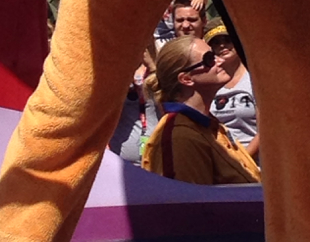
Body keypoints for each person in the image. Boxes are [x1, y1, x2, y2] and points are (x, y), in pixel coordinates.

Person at [142, 36, 260, 184]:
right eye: (209, 59)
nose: (220, 61)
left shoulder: (210, 126)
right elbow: (190, 197)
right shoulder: (181, 137)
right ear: (186, 79)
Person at [204, 20, 259, 158]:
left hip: (254, 162)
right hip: (220, 159)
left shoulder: (255, 78)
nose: (222, 45)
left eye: (227, 40)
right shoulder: (209, 82)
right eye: (216, 42)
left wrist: (243, 160)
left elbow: (265, 129)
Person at [109, 41, 160, 165]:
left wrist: (153, 68)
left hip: (158, 159)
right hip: (121, 161)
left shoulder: (161, 70)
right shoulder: (112, 71)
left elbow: (169, 100)